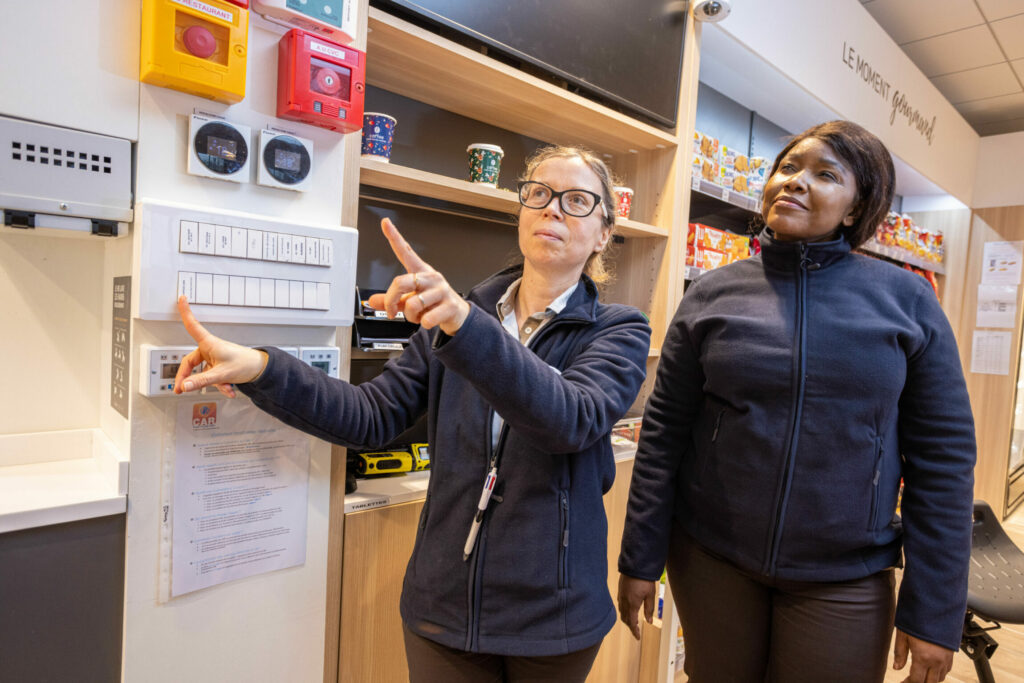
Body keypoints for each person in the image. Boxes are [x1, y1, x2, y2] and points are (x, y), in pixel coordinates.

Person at [173, 145, 652, 682]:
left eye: (578, 200)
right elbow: (369, 414)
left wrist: (466, 327)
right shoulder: (461, 317)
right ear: (520, 211)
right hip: (442, 609)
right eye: (539, 193)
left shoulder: (618, 329)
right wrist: (260, 367)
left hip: (553, 620)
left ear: (605, 231)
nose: (553, 208)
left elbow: (571, 419)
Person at [617, 120, 975, 683]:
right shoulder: (713, 292)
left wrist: (934, 611)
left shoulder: (907, 301)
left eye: (825, 174)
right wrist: (640, 556)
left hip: (845, 576)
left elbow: (944, 463)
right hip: (713, 559)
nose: (796, 182)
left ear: (857, 208)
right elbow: (665, 433)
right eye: (788, 167)